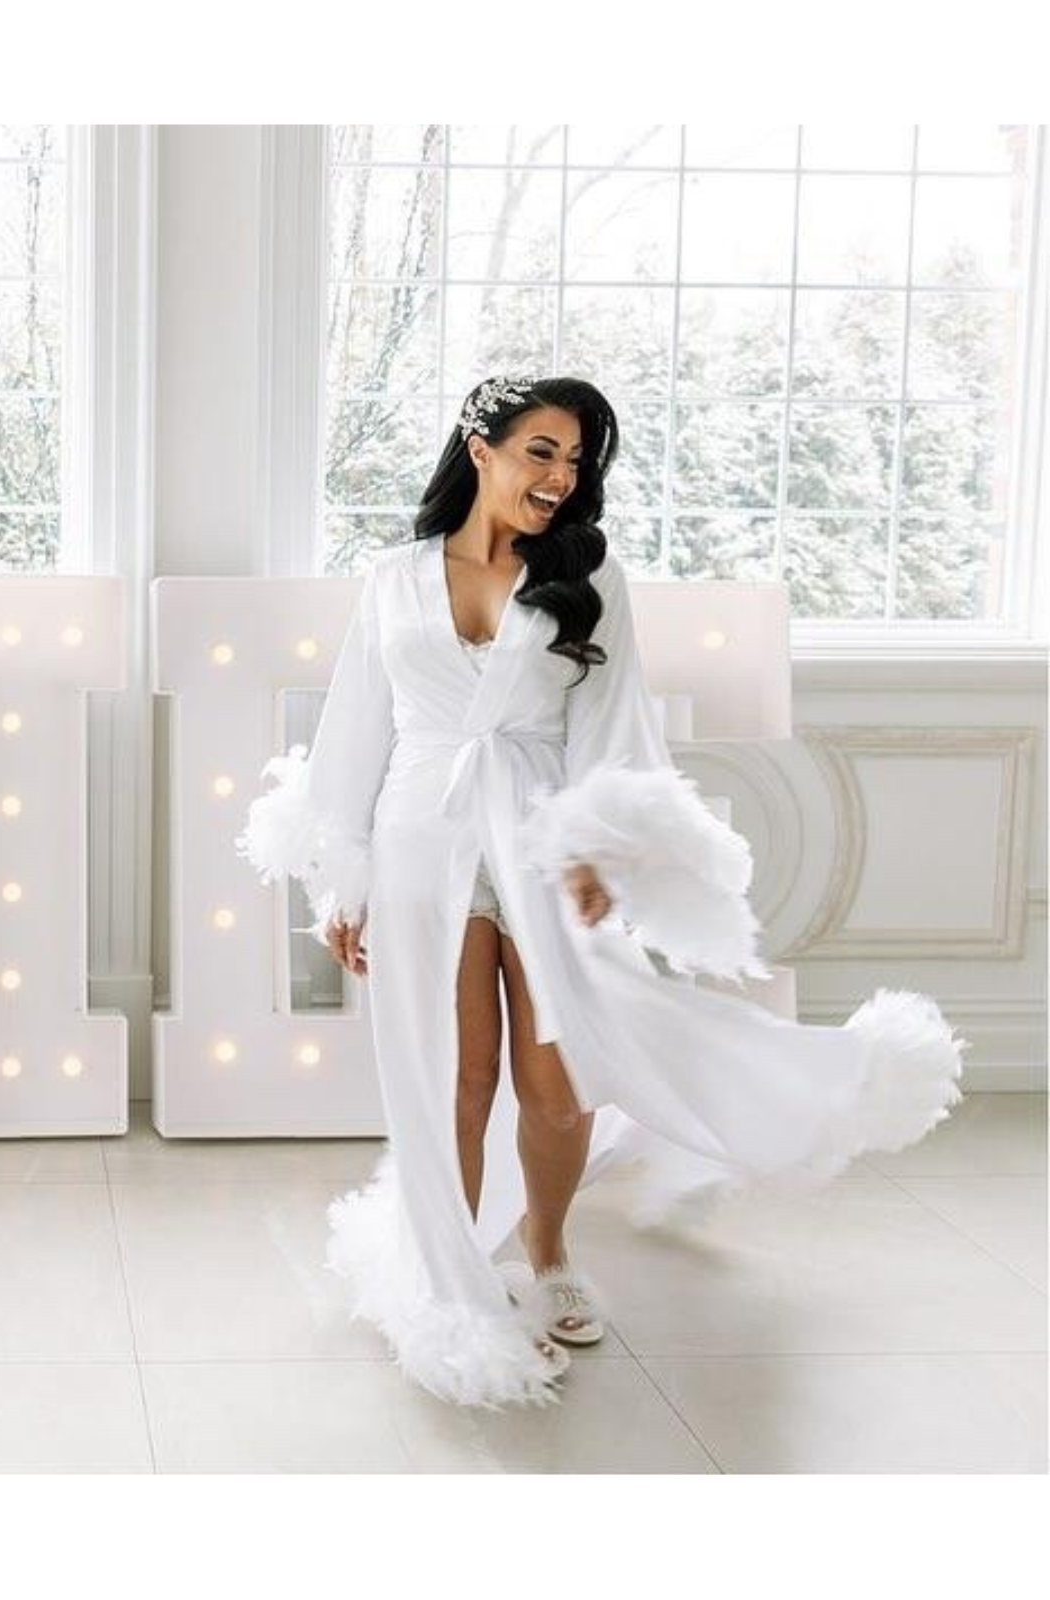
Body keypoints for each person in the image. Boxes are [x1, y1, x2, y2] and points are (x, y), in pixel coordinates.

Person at [236, 374, 965, 1408]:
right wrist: (338, 882)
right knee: (451, 1072)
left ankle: (544, 1247)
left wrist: (598, 850)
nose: (559, 477)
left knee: (555, 1074)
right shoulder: (393, 577)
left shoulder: (586, 577)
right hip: (416, 841)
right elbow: (354, 726)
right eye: (540, 450)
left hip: (536, 835)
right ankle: (446, 1279)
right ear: (479, 446)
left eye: (574, 461)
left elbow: (614, 726)